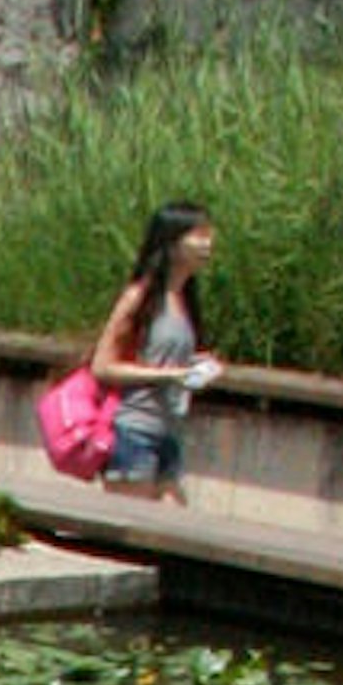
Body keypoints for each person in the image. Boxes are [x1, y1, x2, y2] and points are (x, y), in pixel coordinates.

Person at [89, 203, 220, 500]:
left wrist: (195, 366)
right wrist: (172, 374)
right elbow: (103, 366)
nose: (208, 243)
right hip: (133, 431)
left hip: (169, 431)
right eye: (198, 235)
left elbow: (161, 356)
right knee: (130, 532)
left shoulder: (185, 299)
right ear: (172, 243)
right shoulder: (140, 297)